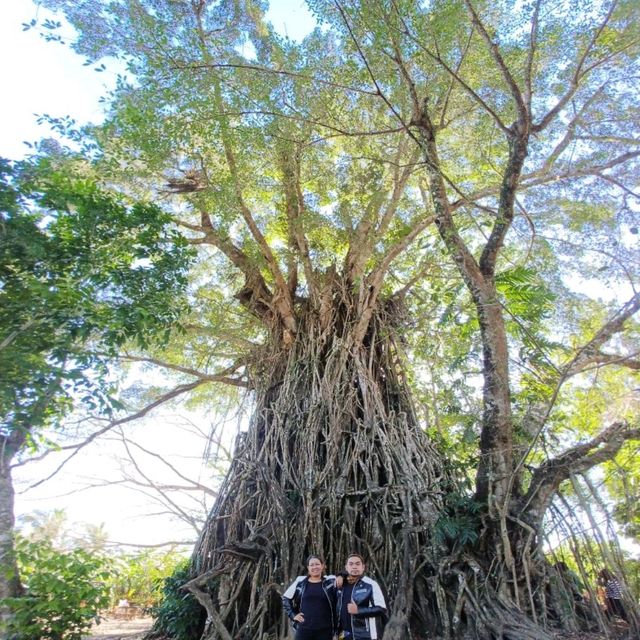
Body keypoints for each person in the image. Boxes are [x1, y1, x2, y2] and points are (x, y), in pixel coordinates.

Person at [282, 555, 338, 640]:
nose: (315, 567)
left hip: (325, 630)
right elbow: (286, 598)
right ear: (308, 567)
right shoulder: (300, 582)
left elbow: (347, 578)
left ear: (322, 566)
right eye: (311, 565)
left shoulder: (330, 582)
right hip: (304, 629)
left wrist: (341, 576)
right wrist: (293, 615)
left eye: (317, 564)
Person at [337, 553, 387, 640]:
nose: (354, 567)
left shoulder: (370, 584)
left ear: (363, 567)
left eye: (357, 564)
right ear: (346, 567)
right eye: (351, 564)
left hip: (365, 635)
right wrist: (337, 634)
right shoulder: (341, 585)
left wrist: (358, 610)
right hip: (345, 635)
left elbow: (381, 609)